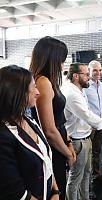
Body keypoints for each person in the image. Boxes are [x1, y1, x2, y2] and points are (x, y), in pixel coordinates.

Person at [0, 65, 59, 200]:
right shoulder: (4, 135)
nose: (38, 92)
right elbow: (14, 191)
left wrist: (56, 191)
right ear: (17, 91)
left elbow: (46, 160)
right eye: (34, 87)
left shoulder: (29, 120)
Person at [62, 63, 102, 200]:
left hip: (85, 137)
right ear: (76, 76)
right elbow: (86, 114)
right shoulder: (71, 93)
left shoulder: (79, 89)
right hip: (77, 140)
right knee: (75, 178)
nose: (89, 77)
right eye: (86, 74)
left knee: (86, 173)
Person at [29, 36, 76, 200]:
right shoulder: (43, 82)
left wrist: (68, 142)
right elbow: (49, 130)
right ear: (52, 59)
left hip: (60, 142)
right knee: (57, 191)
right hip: (52, 147)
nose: (63, 65)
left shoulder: (50, 81)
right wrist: (68, 154)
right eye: (62, 60)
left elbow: (59, 119)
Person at [84, 60, 102, 177]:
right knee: (87, 154)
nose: (98, 73)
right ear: (89, 71)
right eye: (95, 70)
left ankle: (96, 175)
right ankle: (87, 183)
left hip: (100, 123)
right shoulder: (85, 86)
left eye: (100, 70)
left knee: (98, 151)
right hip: (89, 125)